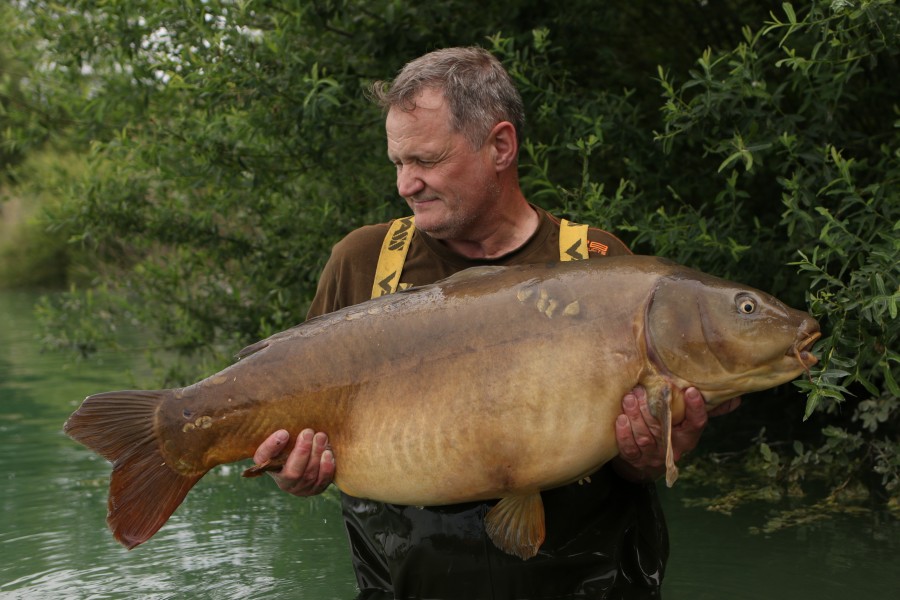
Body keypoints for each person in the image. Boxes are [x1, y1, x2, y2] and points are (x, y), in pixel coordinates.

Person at [253, 47, 739, 599]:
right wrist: (290, 472)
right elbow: (292, 421)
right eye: (398, 163)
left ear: (500, 146)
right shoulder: (362, 262)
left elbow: (634, 469)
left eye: (427, 161)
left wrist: (651, 454)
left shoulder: (602, 267)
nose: (405, 184)